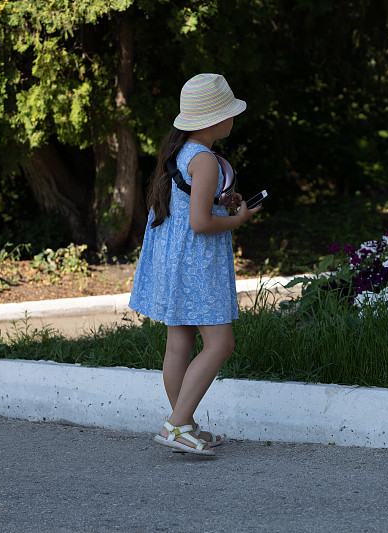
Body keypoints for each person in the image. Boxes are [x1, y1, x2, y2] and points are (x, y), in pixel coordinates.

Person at [129, 73, 262, 455]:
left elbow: (193, 204)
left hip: (175, 259)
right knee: (220, 343)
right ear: (215, 121)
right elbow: (200, 223)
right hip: (197, 265)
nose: (233, 119)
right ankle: (175, 424)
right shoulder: (205, 160)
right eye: (229, 112)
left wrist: (222, 200)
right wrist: (238, 218)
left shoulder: (182, 151)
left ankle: (183, 423)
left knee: (179, 344)